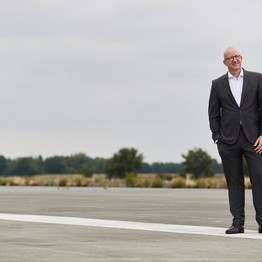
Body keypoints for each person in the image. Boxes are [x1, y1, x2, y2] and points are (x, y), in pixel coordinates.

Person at [208, 47, 262, 234]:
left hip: (254, 139)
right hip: (228, 141)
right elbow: (213, 113)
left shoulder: (257, 79)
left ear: (242, 58)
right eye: (230, 58)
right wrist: (217, 137)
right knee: (234, 182)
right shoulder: (217, 84)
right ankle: (238, 223)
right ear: (225, 62)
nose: (234, 60)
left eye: (237, 56)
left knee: (259, 178)